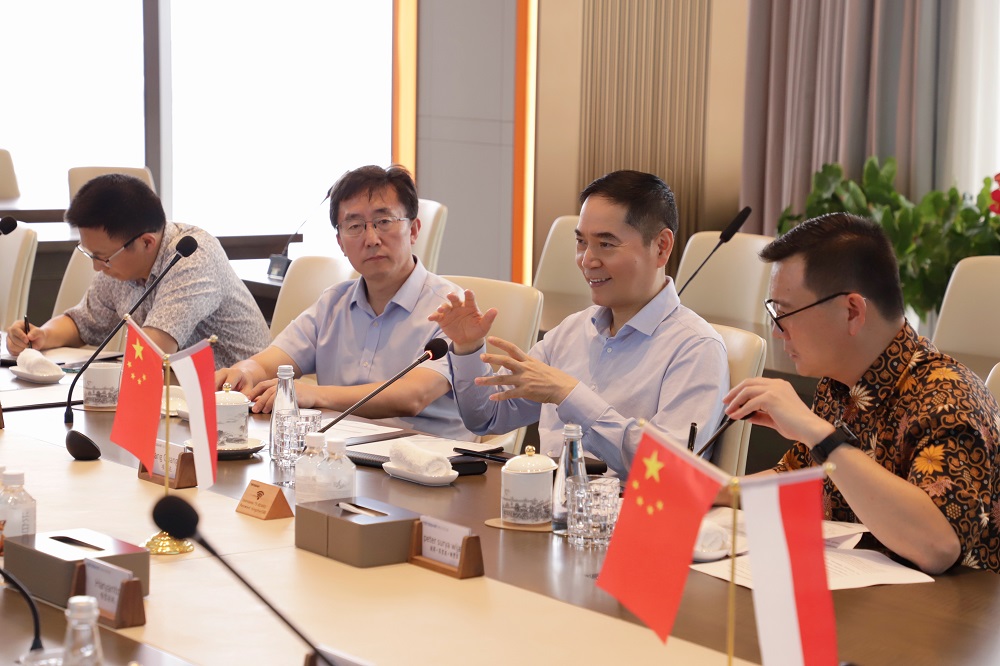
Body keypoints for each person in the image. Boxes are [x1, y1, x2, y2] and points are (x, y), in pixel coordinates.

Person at [723, 212, 1000, 574]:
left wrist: (819, 433)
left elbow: (938, 546)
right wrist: (714, 490)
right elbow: (798, 478)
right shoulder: (839, 384)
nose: (777, 331)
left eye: (785, 313)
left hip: (951, 606)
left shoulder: (949, 399)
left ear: (852, 311)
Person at [430, 170, 729, 476]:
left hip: (624, 504)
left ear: (661, 247)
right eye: (581, 242)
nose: (587, 260)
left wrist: (570, 395)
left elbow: (670, 470)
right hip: (546, 497)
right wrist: (468, 348)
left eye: (606, 244)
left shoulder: (696, 348)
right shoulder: (571, 331)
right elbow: (486, 417)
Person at [215, 164, 470, 440]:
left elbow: (413, 395)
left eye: (384, 222)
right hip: (339, 455)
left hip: (427, 458)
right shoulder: (333, 303)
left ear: (414, 229)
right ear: (340, 242)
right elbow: (273, 361)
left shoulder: (451, 308)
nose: (371, 239)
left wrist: (315, 394)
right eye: (355, 226)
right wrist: (243, 373)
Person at [4, 174, 269, 369]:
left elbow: (151, 352)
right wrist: (41, 336)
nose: (97, 267)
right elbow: (83, 322)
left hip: (241, 403)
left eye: (103, 258)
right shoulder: (121, 263)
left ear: (146, 242)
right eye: (91, 255)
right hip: (178, 397)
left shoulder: (190, 256)